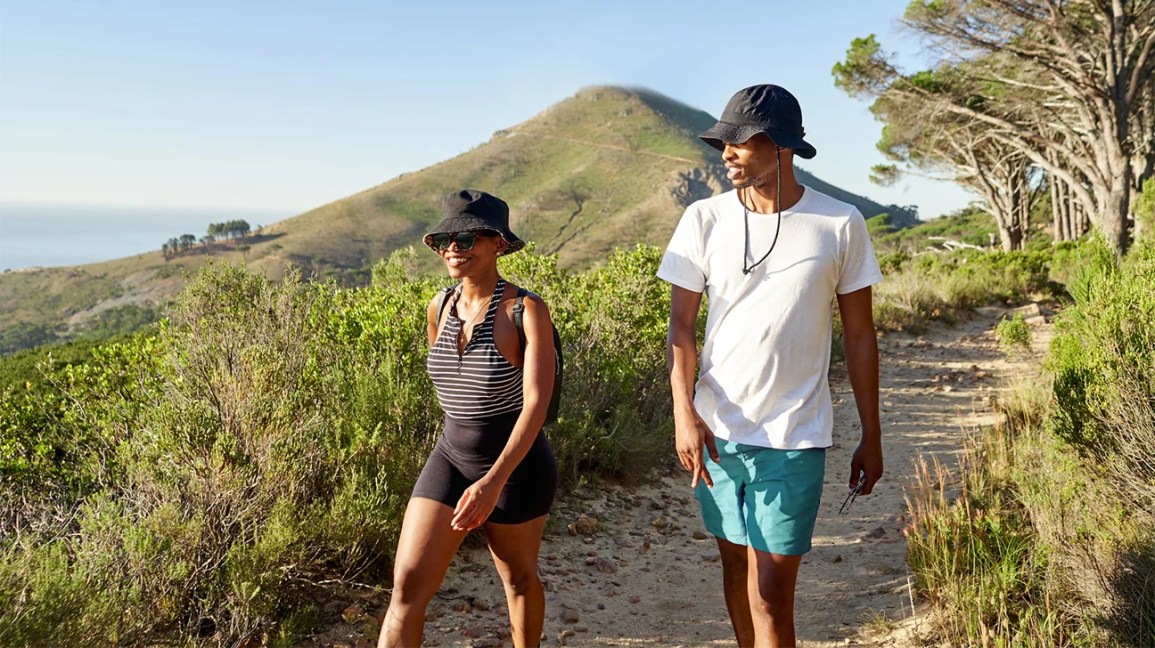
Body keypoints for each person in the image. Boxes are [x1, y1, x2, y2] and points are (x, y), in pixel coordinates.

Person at [658, 84, 884, 648]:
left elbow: (859, 336)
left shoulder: (840, 222)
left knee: (771, 594)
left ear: (781, 145)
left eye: (741, 141)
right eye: (723, 142)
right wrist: (685, 414)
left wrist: (871, 433)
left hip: (795, 434)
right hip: (715, 434)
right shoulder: (703, 219)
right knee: (736, 569)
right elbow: (680, 329)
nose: (727, 152)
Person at [379, 189, 558, 648]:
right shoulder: (438, 306)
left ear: (497, 242)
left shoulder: (526, 310)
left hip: (516, 467)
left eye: (465, 237)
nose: (453, 248)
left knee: (517, 580)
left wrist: (494, 481)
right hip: (451, 456)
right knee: (406, 589)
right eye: (444, 239)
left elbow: (537, 405)